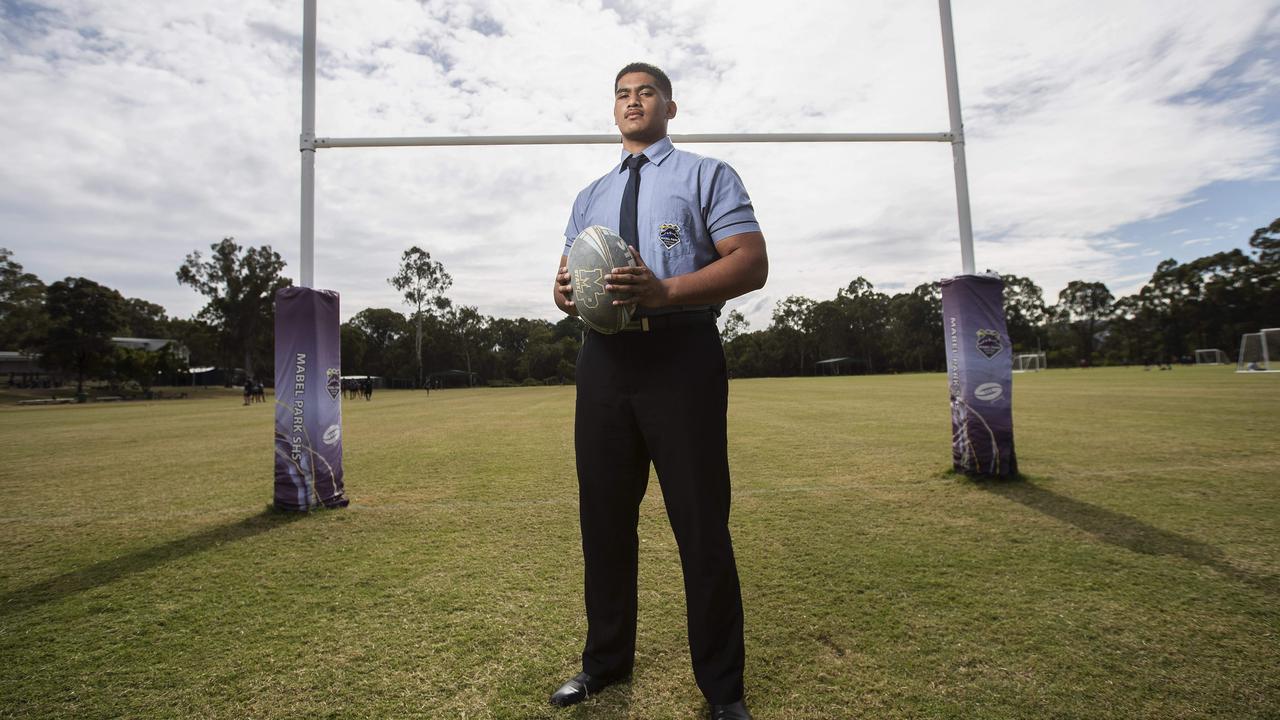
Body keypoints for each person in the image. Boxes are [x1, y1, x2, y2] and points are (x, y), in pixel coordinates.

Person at [550, 62, 767, 720]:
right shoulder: (588, 195)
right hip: (604, 361)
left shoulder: (706, 175)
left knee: (701, 523)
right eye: (622, 94)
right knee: (604, 523)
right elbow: (569, 282)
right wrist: (562, 296)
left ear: (670, 106)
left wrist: (666, 290)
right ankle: (605, 664)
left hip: (681, 354)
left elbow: (752, 263)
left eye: (646, 92)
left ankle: (723, 690)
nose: (633, 102)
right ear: (613, 110)